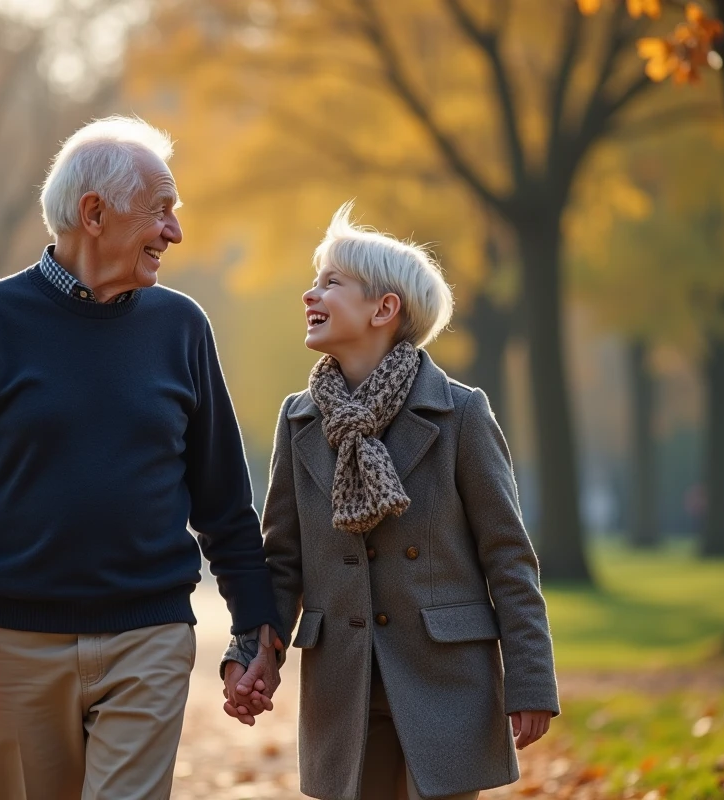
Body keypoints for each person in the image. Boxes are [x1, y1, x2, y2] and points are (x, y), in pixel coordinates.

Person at [0, 116, 281, 800]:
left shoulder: (181, 327)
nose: (174, 231)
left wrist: (253, 627)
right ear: (94, 213)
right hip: (15, 640)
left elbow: (225, 500)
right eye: (160, 211)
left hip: (150, 634)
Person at [223, 202, 560, 800]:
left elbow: (509, 558)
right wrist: (252, 654)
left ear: (384, 309)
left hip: (447, 682)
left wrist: (531, 682)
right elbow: (282, 561)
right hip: (342, 684)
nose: (310, 294)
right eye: (313, 281)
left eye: (331, 282)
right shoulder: (299, 420)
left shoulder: (459, 413)